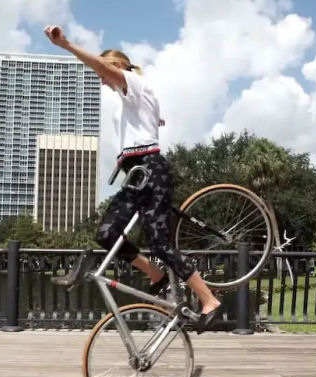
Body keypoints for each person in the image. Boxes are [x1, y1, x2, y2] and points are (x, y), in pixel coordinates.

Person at [45, 25, 221, 332]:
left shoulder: (134, 83)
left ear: (116, 68)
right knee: (106, 233)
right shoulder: (131, 97)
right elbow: (144, 118)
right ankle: (156, 275)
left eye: (104, 73)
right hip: (136, 174)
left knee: (162, 243)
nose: (101, 79)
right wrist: (155, 119)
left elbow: (104, 69)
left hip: (151, 170)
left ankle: (209, 300)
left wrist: (68, 45)